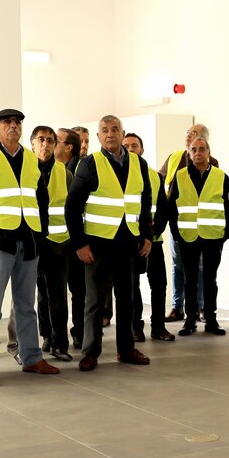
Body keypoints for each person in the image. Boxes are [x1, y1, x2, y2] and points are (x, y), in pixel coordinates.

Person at [0, 108, 57, 388]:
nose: (13, 126)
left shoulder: (31, 159)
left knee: (26, 305)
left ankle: (31, 358)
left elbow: (41, 200)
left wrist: (41, 233)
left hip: (28, 241)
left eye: (17, 122)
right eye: (7, 122)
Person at [65, 115, 154, 371]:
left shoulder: (139, 163)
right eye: (105, 130)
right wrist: (79, 244)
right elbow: (72, 208)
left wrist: (146, 235)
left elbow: (145, 202)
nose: (110, 134)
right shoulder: (89, 164)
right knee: (95, 301)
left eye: (115, 129)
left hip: (128, 243)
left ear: (122, 132)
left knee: (127, 299)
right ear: (98, 137)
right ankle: (91, 352)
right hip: (97, 244)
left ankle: (126, 349)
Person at [169, 136, 229, 336]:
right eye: (194, 150)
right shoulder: (179, 176)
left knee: (210, 280)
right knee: (190, 280)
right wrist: (177, 233)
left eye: (202, 149)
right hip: (187, 236)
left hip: (213, 237)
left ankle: (211, 320)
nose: (198, 153)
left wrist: (224, 235)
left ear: (208, 152)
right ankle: (190, 320)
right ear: (189, 153)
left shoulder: (221, 176)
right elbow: (172, 207)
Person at [160, 124, 217, 322]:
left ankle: (201, 308)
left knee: (200, 268)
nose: (188, 136)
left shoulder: (213, 164)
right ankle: (178, 307)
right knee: (177, 266)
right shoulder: (174, 157)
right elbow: (160, 182)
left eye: (193, 134)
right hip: (178, 224)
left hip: (202, 228)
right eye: (187, 133)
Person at [125, 132, 174, 342]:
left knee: (159, 285)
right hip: (129, 242)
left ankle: (158, 327)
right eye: (126, 146)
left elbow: (163, 210)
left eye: (134, 145)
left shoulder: (155, 176)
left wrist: (153, 234)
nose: (130, 149)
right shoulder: (118, 174)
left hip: (153, 242)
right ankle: (135, 327)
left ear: (142, 149)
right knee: (131, 287)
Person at [33, 126, 75, 361]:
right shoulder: (25, 169)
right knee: (40, 294)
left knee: (58, 294)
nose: (46, 144)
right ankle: (46, 336)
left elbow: (71, 208)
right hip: (33, 241)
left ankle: (60, 343)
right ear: (32, 143)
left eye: (50, 140)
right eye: (41, 140)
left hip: (59, 241)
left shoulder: (64, 173)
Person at [56, 127, 86, 348]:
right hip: (54, 240)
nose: (50, 143)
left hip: (78, 239)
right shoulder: (48, 168)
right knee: (52, 292)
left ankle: (80, 332)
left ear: (68, 147)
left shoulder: (82, 168)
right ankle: (52, 337)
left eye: (56, 140)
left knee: (79, 289)